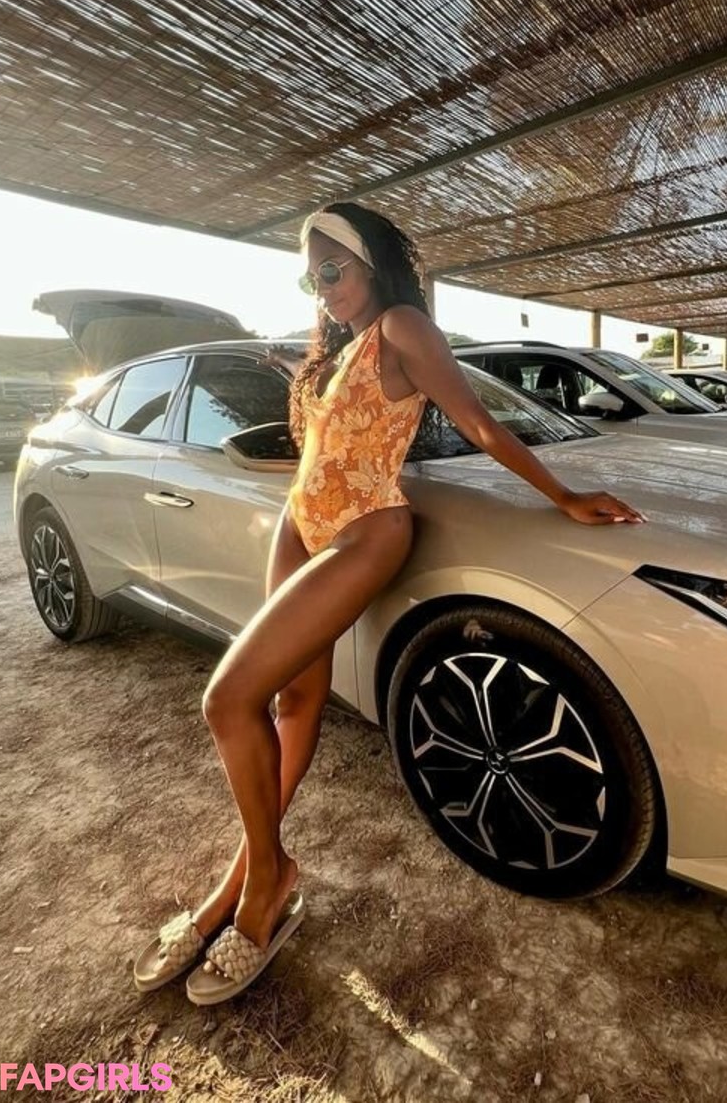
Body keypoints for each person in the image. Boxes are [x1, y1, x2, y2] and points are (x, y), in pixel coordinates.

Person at [133, 202, 645, 1004]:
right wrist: (300, 383)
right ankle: (244, 882)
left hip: (367, 528)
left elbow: (477, 421)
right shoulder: (337, 346)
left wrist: (566, 495)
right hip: (300, 522)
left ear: (371, 260)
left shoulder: (404, 325)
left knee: (226, 700)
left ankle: (264, 885)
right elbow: (327, 442)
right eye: (311, 278)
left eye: (333, 270)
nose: (323, 288)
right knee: (292, 702)